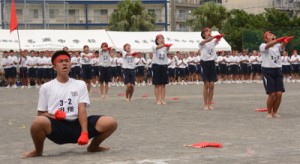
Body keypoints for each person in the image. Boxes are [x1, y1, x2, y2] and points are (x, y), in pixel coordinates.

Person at [21, 50, 117, 158]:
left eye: (67, 61)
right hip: (58, 127)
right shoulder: (46, 87)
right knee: (37, 122)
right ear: (54, 67)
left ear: (71, 64)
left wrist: (84, 133)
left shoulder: (80, 84)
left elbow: (82, 109)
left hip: (78, 125)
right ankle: (38, 151)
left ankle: (93, 146)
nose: (64, 63)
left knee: (111, 122)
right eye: (60, 61)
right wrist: (54, 115)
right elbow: (41, 114)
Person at [259, 31, 293, 118]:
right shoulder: (263, 45)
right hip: (267, 71)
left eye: (273, 34)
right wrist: (278, 40)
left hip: (278, 70)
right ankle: (269, 112)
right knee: (272, 94)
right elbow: (268, 46)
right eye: (270, 35)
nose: (272, 35)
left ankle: (275, 112)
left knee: (279, 93)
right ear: (266, 39)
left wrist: (284, 43)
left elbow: (281, 47)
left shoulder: (277, 45)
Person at [199, 27, 224, 110]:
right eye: (207, 31)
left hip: (212, 63)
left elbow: (216, 40)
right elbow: (204, 42)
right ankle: (205, 104)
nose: (209, 32)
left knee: (212, 85)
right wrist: (213, 37)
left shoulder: (213, 41)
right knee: (206, 84)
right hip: (204, 63)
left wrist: (219, 37)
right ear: (203, 34)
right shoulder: (201, 42)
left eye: (210, 31)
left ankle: (210, 103)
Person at [152, 34, 171, 105]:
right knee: (157, 84)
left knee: (163, 84)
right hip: (156, 65)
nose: (162, 39)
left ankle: (162, 99)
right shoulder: (154, 46)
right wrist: (165, 45)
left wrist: (168, 46)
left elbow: (167, 50)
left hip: (164, 65)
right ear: (157, 40)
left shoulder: (165, 48)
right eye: (160, 38)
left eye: (163, 38)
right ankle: (158, 99)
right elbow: (157, 48)